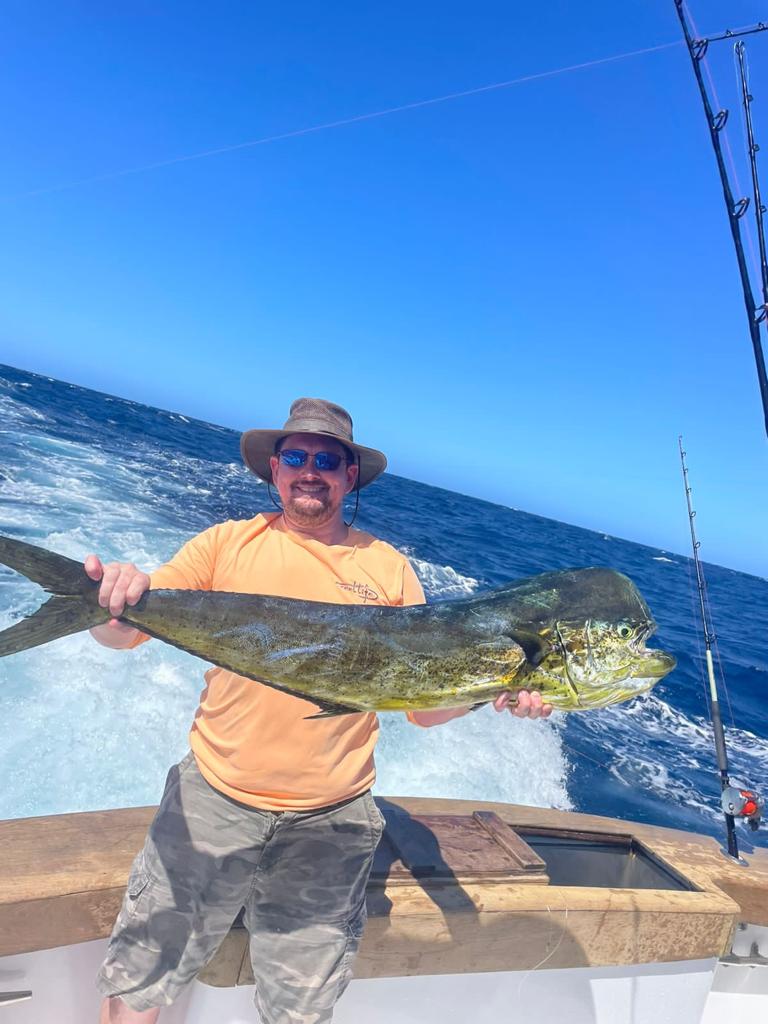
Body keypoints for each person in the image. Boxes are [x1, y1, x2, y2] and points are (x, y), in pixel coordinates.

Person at [87, 397, 552, 1024]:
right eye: (297, 456)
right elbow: (127, 634)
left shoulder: (388, 569)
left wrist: (490, 690)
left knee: (301, 1011)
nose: (312, 469)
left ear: (348, 475)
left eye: (328, 459)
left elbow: (421, 710)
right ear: (274, 470)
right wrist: (109, 603)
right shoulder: (225, 544)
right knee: (142, 984)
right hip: (213, 801)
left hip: (331, 824)